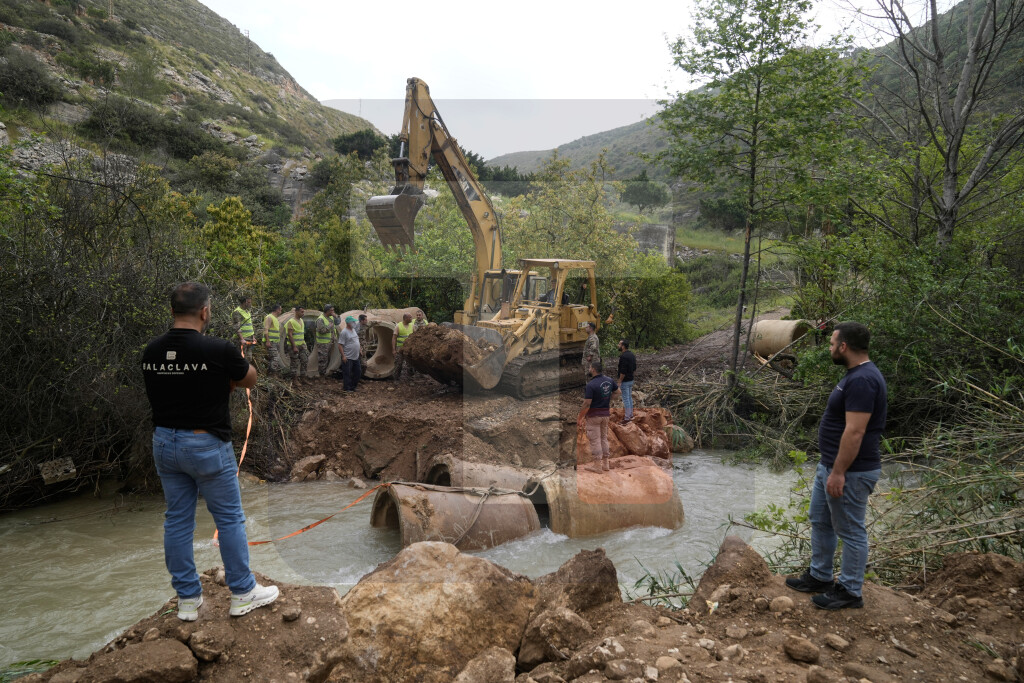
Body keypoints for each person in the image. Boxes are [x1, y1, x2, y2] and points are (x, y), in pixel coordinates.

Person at [141, 282, 279, 621]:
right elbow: (250, 379)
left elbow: (168, 387)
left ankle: (188, 600)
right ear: (205, 312)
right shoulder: (218, 349)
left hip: (164, 443)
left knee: (176, 521)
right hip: (206, 444)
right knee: (230, 518)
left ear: (172, 311)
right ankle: (244, 592)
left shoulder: (152, 351)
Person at [786, 321, 887, 610]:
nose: (830, 348)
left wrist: (839, 472)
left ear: (844, 346)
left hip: (850, 472)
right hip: (831, 466)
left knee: (851, 531)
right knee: (820, 520)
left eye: (832, 344)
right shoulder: (855, 375)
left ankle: (850, 591)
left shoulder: (863, 380)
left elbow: (855, 432)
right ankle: (820, 576)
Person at [577, 359, 620, 473]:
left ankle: (597, 466)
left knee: (595, 440)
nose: (589, 369)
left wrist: (580, 417)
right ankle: (605, 464)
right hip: (605, 414)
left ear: (594, 370)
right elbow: (618, 392)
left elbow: (587, 403)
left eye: (590, 368)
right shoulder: (609, 380)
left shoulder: (591, 385)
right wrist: (607, 399)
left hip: (594, 416)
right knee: (603, 438)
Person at [338, 316, 361, 392]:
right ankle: (347, 388)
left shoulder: (353, 330)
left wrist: (360, 349)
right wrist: (343, 356)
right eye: (353, 322)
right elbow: (340, 345)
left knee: (358, 372)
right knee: (347, 373)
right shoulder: (344, 332)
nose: (354, 323)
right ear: (348, 323)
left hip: (356, 356)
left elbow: (356, 340)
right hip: (348, 357)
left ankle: (353, 387)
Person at [314, 305, 337, 381]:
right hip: (323, 343)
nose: (333, 312)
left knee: (328, 358)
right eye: (332, 310)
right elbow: (321, 331)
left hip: (330, 342)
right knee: (322, 360)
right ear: (327, 311)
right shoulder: (320, 319)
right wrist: (329, 326)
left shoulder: (331, 317)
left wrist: (336, 316)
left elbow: (338, 322)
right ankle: (321, 376)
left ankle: (325, 374)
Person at [286, 306, 308, 382]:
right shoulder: (291, 322)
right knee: (294, 363)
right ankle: (294, 380)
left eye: (303, 312)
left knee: (305, 360)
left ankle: (303, 378)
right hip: (294, 345)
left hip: (302, 344)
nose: (303, 313)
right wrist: (294, 346)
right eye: (301, 312)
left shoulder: (301, 320)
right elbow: (290, 335)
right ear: (297, 312)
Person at [617, 339, 637, 424]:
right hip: (631, 379)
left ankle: (627, 417)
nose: (618, 345)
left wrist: (619, 381)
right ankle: (631, 414)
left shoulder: (624, 356)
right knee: (629, 397)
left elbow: (623, 371)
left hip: (625, 381)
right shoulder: (631, 355)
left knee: (626, 399)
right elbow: (634, 368)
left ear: (623, 346)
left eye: (619, 344)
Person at [392, 312, 416, 381]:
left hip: (409, 348)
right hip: (400, 348)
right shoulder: (398, 326)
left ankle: (410, 378)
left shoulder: (412, 326)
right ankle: (396, 379)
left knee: (410, 364)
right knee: (398, 364)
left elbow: (415, 336)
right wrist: (393, 349)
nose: (412, 319)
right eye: (410, 317)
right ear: (406, 318)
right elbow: (394, 338)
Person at [232, 295, 256, 362]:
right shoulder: (237, 312)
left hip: (249, 339)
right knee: (241, 359)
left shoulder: (247, 311)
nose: (250, 304)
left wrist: (253, 337)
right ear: (244, 302)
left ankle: (247, 371)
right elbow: (237, 326)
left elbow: (250, 325)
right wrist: (242, 339)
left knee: (249, 358)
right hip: (243, 339)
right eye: (249, 302)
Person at [263, 304, 283, 376]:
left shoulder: (275, 318)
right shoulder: (269, 317)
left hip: (275, 342)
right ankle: (272, 375)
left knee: (273, 358)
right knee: (275, 358)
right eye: (280, 309)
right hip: (271, 342)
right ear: (277, 310)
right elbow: (266, 329)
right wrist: (268, 341)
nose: (281, 311)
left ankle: (269, 374)